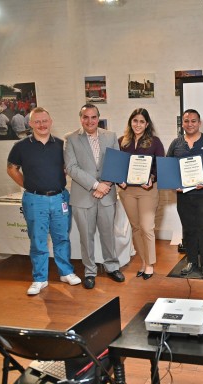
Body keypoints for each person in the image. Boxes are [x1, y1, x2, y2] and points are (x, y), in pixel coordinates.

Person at [7, 107, 81, 295]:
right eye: (37, 121)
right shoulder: (21, 146)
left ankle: (66, 272)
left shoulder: (61, 145)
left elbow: (68, 168)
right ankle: (39, 278)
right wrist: (29, 186)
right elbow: (11, 169)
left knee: (62, 237)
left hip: (59, 198)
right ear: (30, 124)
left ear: (51, 122)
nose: (41, 125)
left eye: (44, 121)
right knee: (38, 241)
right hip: (34, 200)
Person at [64, 104, 125, 289]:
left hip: (107, 195)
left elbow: (116, 163)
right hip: (83, 196)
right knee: (86, 236)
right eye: (85, 117)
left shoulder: (111, 136)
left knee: (108, 234)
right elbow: (72, 168)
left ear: (98, 118)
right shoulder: (71, 139)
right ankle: (89, 271)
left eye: (93, 117)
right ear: (80, 118)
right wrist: (96, 185)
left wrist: (105, 184)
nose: (89, 121)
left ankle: (112, 267)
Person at [166, 109, 203, 276]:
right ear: (183, 124)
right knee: (188, 229)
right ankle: (191, 261)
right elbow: (169, 167)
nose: (190, 124)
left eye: (193, 121)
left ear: (199, 123)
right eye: (186, 121)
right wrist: (174, 184)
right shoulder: (176, 143)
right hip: (184, 195)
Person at [118, 108, 165, 280]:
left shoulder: (155, 142)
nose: (138, 124)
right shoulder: (121, 142)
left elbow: (160, 166)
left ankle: (150, 264)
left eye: (141, 121)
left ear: (147, 124)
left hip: (147, 191)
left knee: (147, 227)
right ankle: (144, 262)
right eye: (135, 121)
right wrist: (118, 179)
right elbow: (117, 166)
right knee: (136, 227)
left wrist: (152, 177)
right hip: (127, 190)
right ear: (131, 122)